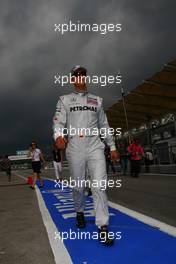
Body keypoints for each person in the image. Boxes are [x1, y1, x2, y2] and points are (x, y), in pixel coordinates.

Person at [53, 65, 119, 246]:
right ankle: (79, 211)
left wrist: (112, 146)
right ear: (72, 79)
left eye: (83, 74)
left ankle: (103, 226)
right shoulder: (65, 100)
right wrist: (58, 136)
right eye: (77, 75)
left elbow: (104, 125)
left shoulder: (97, 100)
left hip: (95, 145)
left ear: (86, 78)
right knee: (78, 186)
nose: (80, 77)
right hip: (75, 146)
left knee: (99, 185)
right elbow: (58, 122)